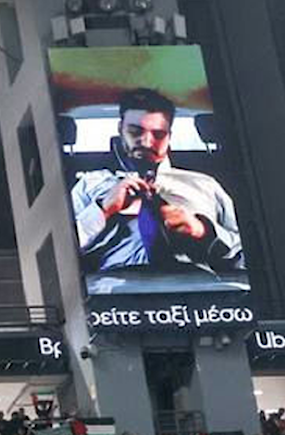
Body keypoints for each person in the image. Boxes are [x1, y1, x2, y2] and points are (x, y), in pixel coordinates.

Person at [69, 87, 246, 293]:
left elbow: (247, 257)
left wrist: (203, 231)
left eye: (158, 134)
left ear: (169, 136)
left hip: (200, 287)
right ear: (120, 129)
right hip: (112, 291)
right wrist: (102, 210)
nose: (146, 141)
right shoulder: (90, 184)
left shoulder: (205, 185)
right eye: (135, 131)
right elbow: (60, 256)